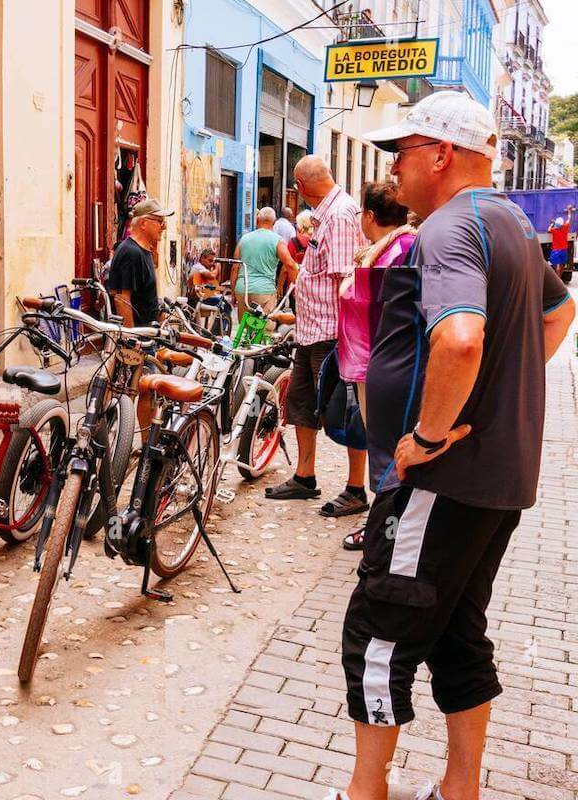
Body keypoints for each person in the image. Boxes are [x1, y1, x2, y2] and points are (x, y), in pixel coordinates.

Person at [325, 91, 575, 800]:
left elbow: (460, 339)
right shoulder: (510, 225)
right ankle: (457, 791)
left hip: (443, 482)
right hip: (495, 481)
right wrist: (498, 395)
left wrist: (427, 435)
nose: (394, 170)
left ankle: (364, 792)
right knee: (459, 635)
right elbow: (560, 314)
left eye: (400, 153)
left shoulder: (450, 230)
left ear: (439, 155)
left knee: (379, 634)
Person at [265, 155, 370, 520]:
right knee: (301, 404)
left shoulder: (340, 215)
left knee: (345, 411)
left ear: (301, 186)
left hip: (330, 332)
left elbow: (346, 280)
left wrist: (348, 339)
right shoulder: (328, 214)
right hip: (311, 330)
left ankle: (356, 488)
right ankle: (304, 477)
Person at [337, 182, 415, 551]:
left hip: (380, 364)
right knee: (380, 443)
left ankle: (383, 531)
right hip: (373, 363)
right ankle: (386, 526)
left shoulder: (396, 252)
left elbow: (371, 304)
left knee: (385, 447)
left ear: (369, 216)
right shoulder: (387, 249)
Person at [106, 197, 171, 328]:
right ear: (143, 223)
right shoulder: (131, 253)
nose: (163, 227)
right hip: (140, 340)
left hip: (149, 336)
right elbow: (122, 300)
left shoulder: (143, 251)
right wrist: (132, 341)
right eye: (160, 221)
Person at [230, 207, 297, 319]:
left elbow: (235, 267)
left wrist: (233, 291)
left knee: (245, 328)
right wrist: (298, 286)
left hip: (242, 289)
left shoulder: (244, 239)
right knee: (264, 330)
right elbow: (290, 264)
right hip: (263, 290)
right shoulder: (277, 241)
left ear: (257, 220)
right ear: (274, 222)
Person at [547, 204, 573, 273]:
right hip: (564, 249)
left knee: (557, 266)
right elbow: (569, 219)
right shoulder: (565, 227)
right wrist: (569, 211)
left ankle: (558, 279)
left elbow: (548, 230)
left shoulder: (554, 230)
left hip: (556, 250)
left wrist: (552, 223)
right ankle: (560, 279)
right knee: (562, 265)